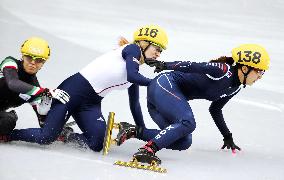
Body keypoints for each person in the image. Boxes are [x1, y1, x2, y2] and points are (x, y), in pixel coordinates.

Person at [3, 25, 169, 152]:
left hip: (91, 103)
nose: (158, 54)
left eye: (160, 51)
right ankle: (7, 135)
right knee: (46, 137)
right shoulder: (131, 49)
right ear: (144, 43)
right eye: (157, 49)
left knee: (97, 143)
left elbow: (135, 105)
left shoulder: (134, 70)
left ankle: (65, 135)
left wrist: (143, 132)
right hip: (71, 92)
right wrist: (155, 82)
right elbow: (133, 76)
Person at [115, 44, 270, 165]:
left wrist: (227, 136)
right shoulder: (223, 70)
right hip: (164, 84)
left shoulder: (235, 88)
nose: (260, 77)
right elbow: (193, 65)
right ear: (244, 68)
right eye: (259, 72)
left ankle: (133, 131)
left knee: (183, 142)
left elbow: (215, 109)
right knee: (188, 122)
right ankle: (148, 150)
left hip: (161, 102)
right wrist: (164, 65)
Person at [0, 37, 69, 141]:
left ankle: (10, 119)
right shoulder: (10, 62)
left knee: (7, 122)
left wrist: (43, 114)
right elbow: (13, 83)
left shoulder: (35, 89)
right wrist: (44, 91)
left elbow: (44, 125)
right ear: (22, 56)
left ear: (43, 63)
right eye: (29, 57)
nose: (32, 62)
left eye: (38, 60)